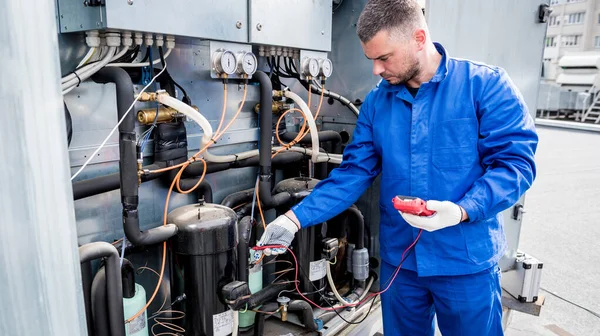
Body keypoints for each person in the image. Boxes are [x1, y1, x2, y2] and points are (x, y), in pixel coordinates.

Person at [256, 0, 538, 334]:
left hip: (464, 260)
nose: (376, 69)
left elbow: (515, 165)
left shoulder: (484, 86)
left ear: (419, 38)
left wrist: (463, 210)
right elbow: (355, 172)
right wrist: (294, 218)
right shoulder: (379, 101)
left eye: (384, 58)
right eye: (371, 59)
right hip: (402, 263)